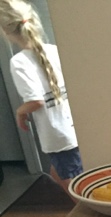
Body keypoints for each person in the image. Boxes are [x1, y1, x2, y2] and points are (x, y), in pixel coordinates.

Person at [0, 0, 83, 195]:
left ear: (6, 31)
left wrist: (20, 112)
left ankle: (89, 212)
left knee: (75, 186)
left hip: (57, 135)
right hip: (72, 128)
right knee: (57, 172)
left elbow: (35, 101)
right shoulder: (53, 49)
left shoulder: (19, 61)